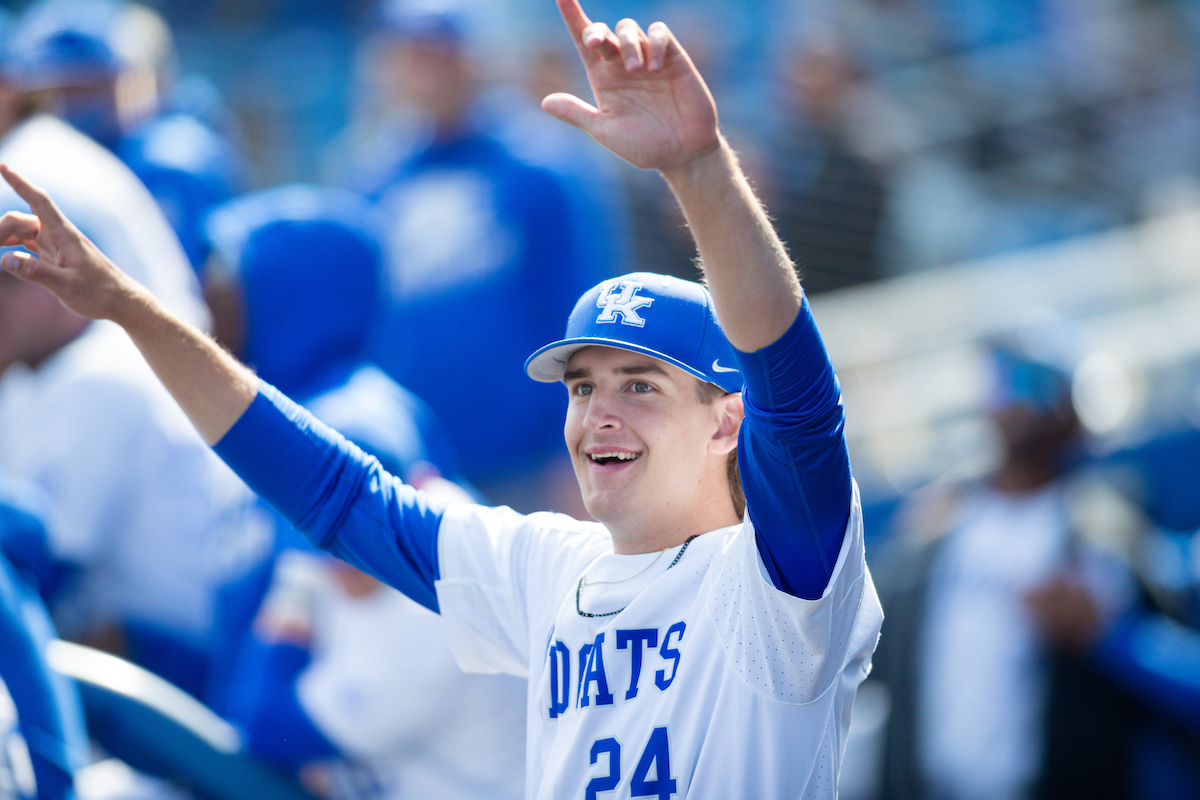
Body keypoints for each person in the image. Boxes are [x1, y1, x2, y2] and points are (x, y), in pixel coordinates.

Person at [0, 1, 883, 796]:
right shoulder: (551, 571)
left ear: (727, 420)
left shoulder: (779, 582)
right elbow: (334, 490)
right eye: (582, 385)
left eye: (641, 385)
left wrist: (697, 170)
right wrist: (124, 308)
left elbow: (799, 397)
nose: (599, 412)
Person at [871, 331, 1141, 800]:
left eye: (1033, 383)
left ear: (1073, 408)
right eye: (1002, 382)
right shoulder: (936, 523)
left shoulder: (1101, 525)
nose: (1013, 399)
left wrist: (1099, 632)